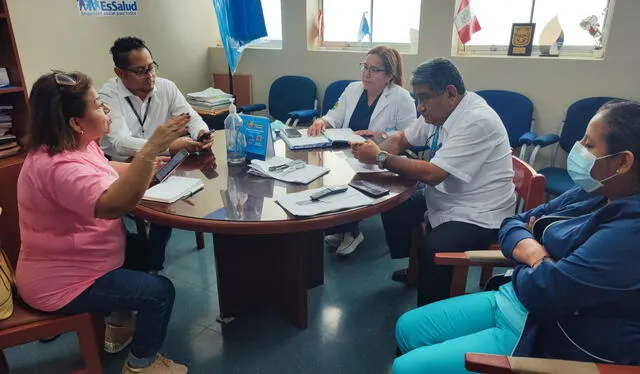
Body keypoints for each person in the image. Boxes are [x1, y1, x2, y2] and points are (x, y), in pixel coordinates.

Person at [393, 99, 640, 373]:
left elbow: (545, 292)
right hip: (515, 297)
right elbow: (514, 222)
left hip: (545, 331)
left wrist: (527, 251)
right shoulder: (593, 192)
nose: (579, 148)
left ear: (623, 162)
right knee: (406, 328)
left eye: (590, 144)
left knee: (407, 367)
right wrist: (535, 255)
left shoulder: (630, 232)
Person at [16, 70, 189, 373]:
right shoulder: (59, 167)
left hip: (83, 259)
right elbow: (114, 205)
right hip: (63, 284)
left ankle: (118, 322)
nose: (105, 109)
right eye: (97, 105)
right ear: (75, 122)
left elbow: (107, 171)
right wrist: (149, 150)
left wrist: (150, 165)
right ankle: (141, 365)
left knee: (145, 252)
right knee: (160, 292)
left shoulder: (76, 143)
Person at [350, 57, 516, 306]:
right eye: (418, 99)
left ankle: (429, 316)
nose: (420, 107)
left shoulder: (477, 120)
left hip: (479, 214)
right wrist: (375, 152)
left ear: (450, 93)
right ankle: (416, 267)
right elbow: (402, 139)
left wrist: (381, 157)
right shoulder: (440, 113)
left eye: (425, 98)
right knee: (393, 202)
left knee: (433, 250)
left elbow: (433, 174)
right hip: (446, 196)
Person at [100, 36, 214, 272]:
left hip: (160, 159)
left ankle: (153, 254)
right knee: (161, 200)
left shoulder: (166, 87)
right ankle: (150, 260)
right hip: (121, 164)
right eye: (140, 71)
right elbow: (120, 142)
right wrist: (167, 147)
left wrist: (201, 132)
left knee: (176, 194)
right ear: (120, 73)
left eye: (151, 67)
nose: (150, 76)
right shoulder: (108, 95)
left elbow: (190, 116)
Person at [307, 46, 417, 255]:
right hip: (348, 152)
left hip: (379, 157)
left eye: (374, 69)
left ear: (389, 75)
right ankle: (342, 226)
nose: (366, 73)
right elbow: (335, 116)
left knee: (352, 176)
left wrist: (378, 135)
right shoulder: (352, 89)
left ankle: (351, 231)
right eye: (365, 67)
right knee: (329, 174)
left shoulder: (402, 98)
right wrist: (322, 121)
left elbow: (410, 135)